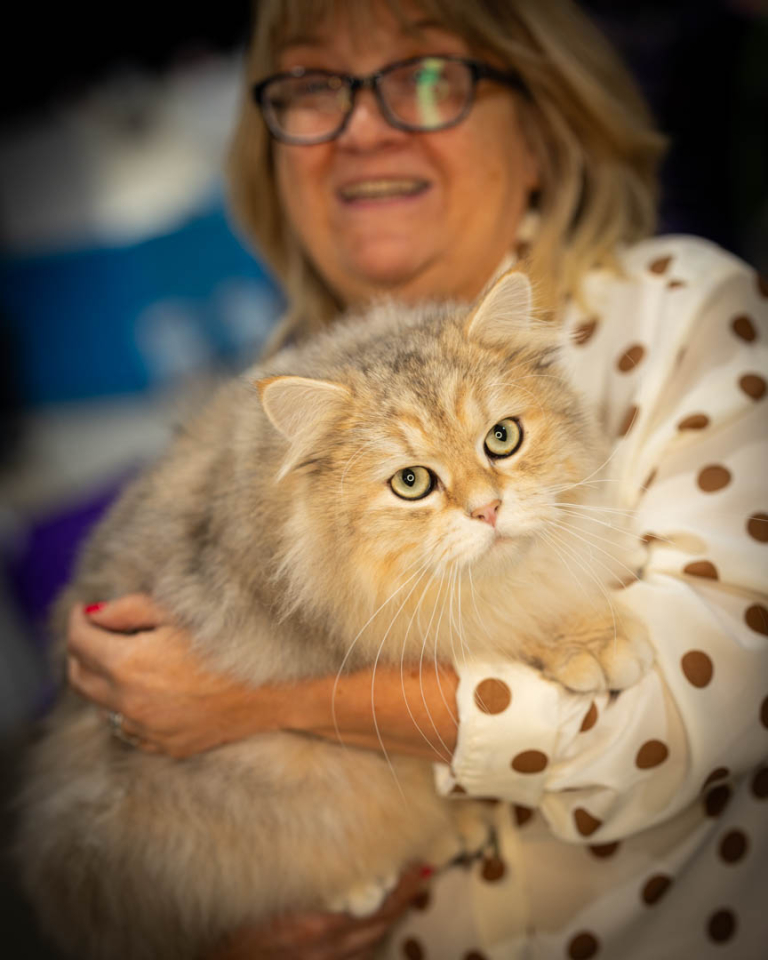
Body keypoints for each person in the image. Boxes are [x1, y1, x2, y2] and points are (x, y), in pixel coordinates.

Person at [64, 1, 768, 957]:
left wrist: (268, 702)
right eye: (313, 88)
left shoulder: (684, 308)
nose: (361, 128)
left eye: (429, 78)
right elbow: (94, 815)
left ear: (542, 128)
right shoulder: (271, 413)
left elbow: (701, 714)